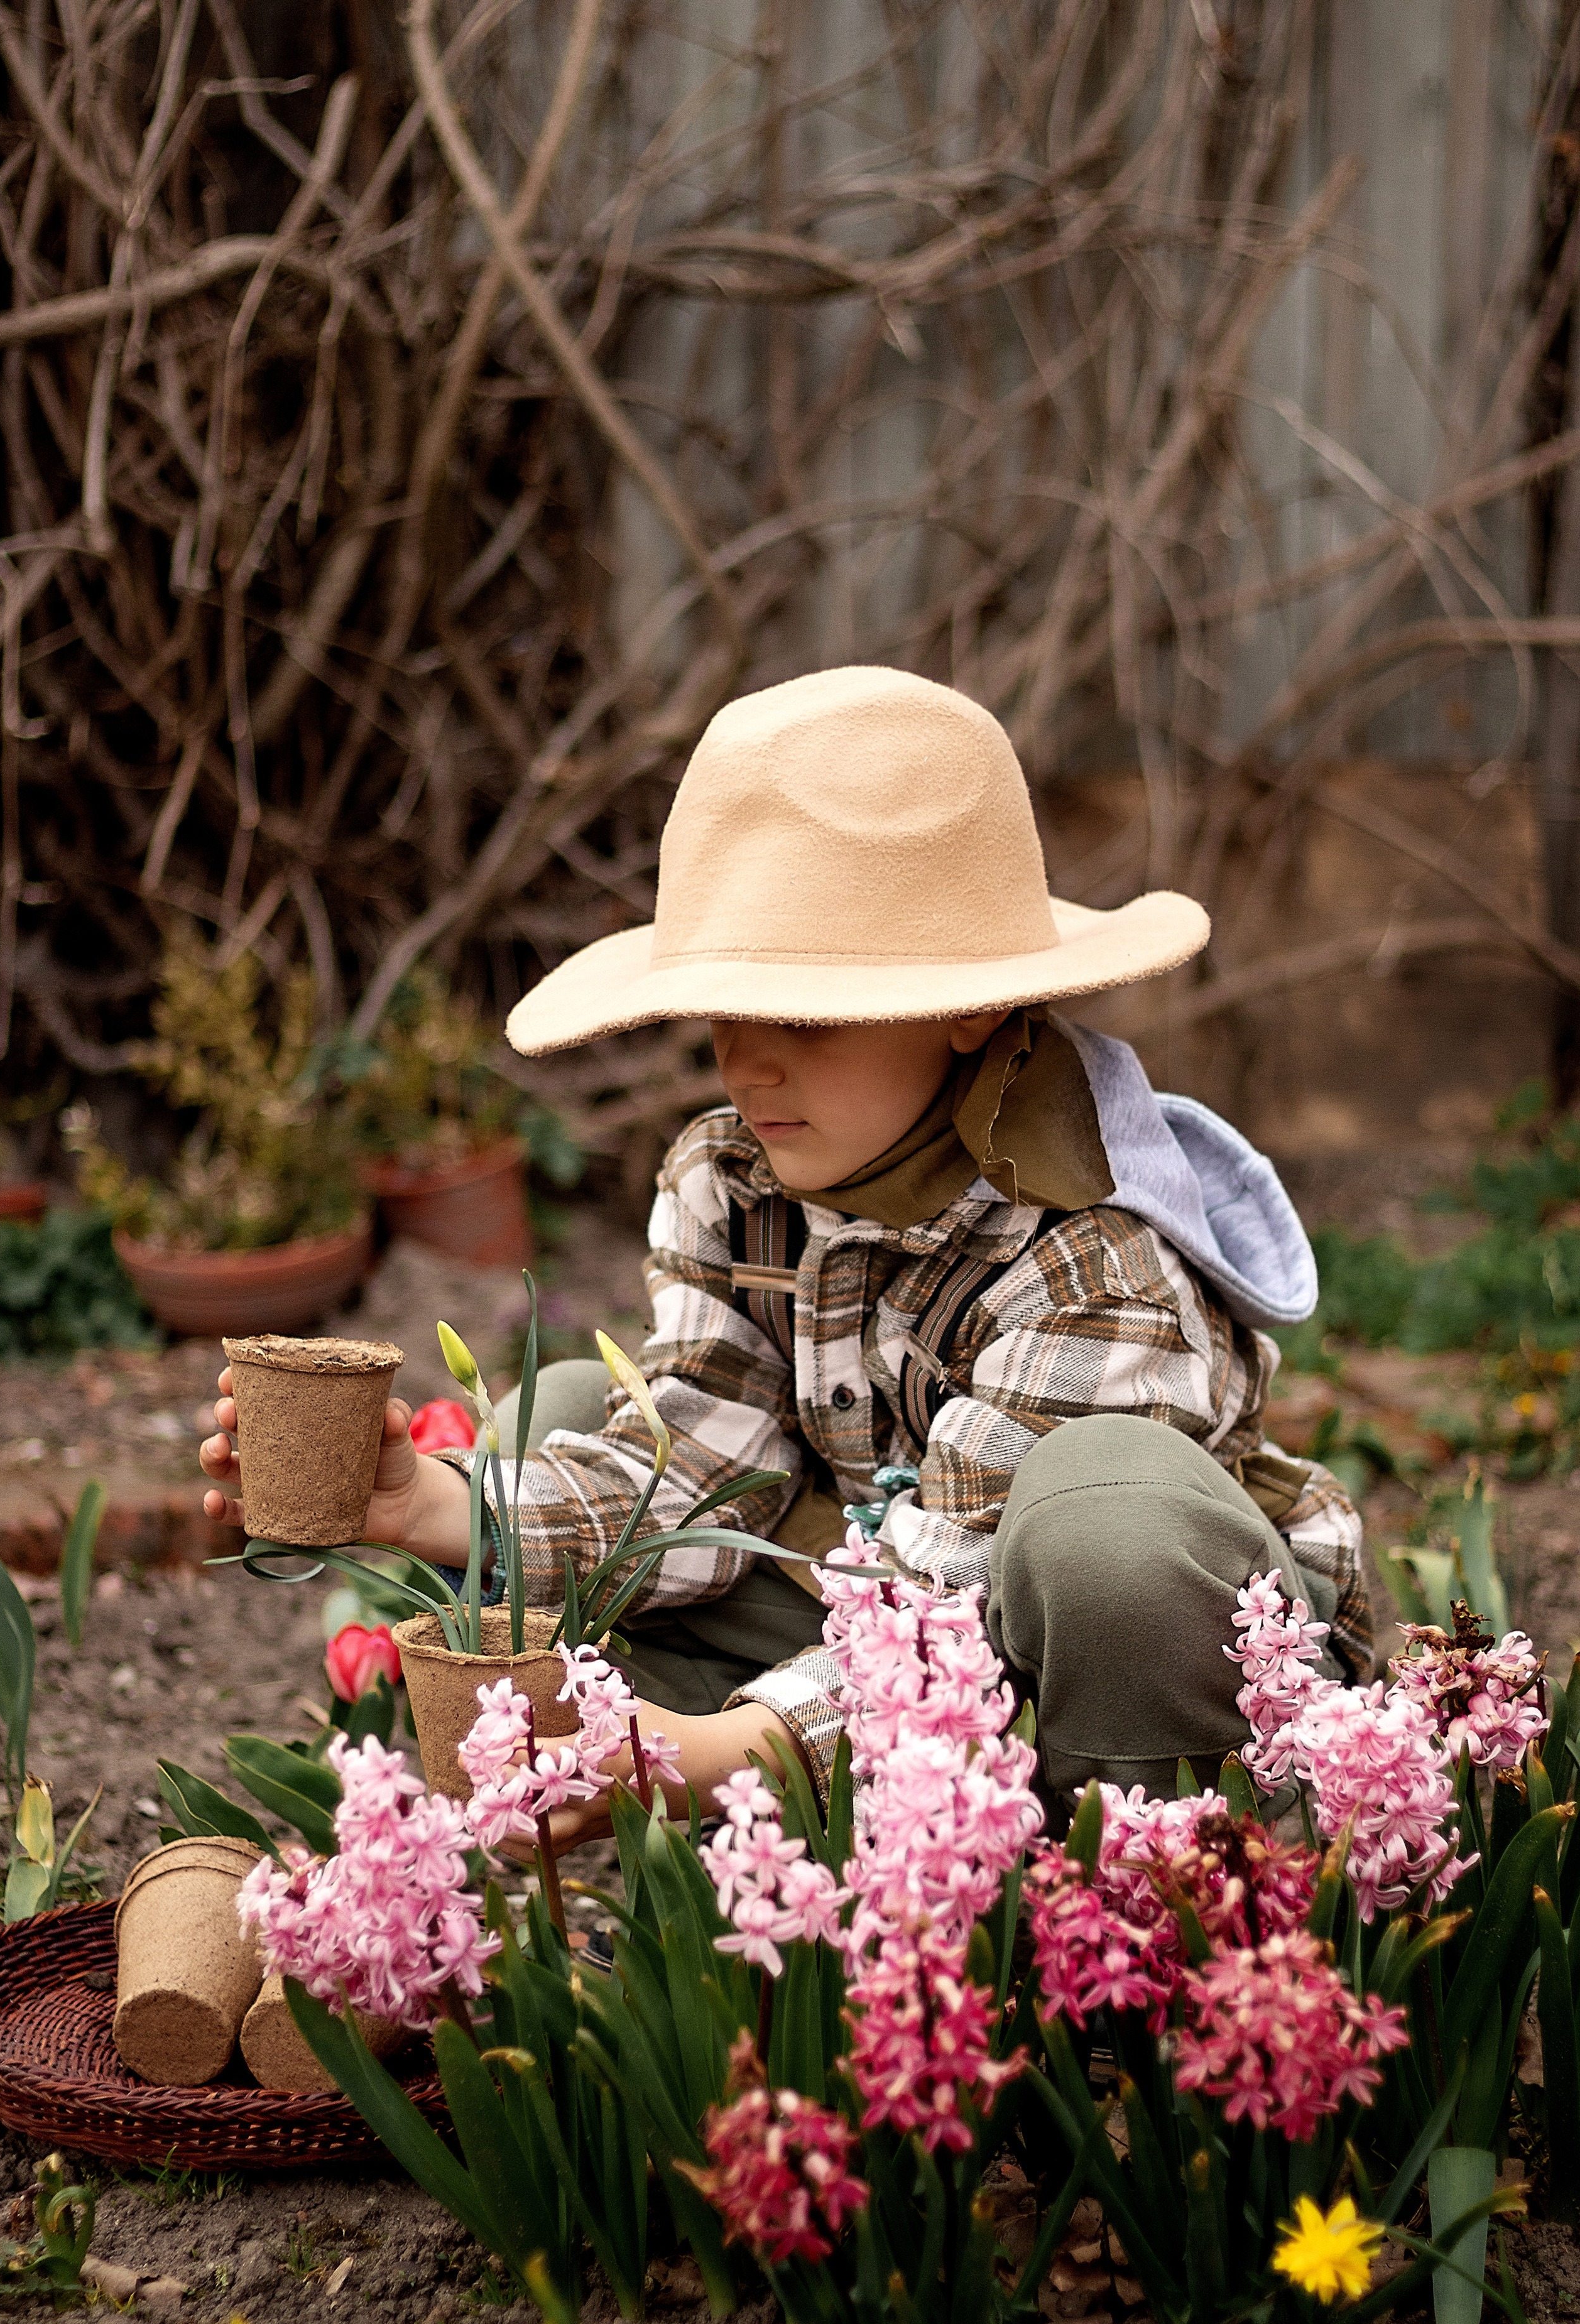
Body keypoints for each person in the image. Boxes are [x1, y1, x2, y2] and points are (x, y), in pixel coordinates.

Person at [201, 666, 1366, 1830]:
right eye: (723, 1011)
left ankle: (1152, 1882)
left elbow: (945, 1606)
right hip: (892, 1611)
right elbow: (704, 1469)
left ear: (969, 1008)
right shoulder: (733, 1182)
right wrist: (435, 1507)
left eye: (805, 1017)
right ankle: (818, 1843)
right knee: (555, 1416)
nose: (746, 1066)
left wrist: (703, 1756)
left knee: (1101, 1531)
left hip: (1134, 1655)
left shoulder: (1095, 1253)